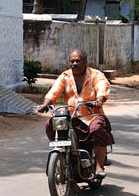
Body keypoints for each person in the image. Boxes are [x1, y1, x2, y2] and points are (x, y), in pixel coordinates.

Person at [36, 49, 114, 178]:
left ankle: (99, 165)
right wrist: (45, 104)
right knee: (50, 125)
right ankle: (62, 152)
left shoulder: (95, 74)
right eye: (72, 61)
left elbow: (102, 87)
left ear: (85, 62)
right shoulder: (65, 76)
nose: (74, 63)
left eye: (78, 61)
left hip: (91, 115)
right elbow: (54, 92)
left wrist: (99, 100)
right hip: (71, 116)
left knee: (97, 129)